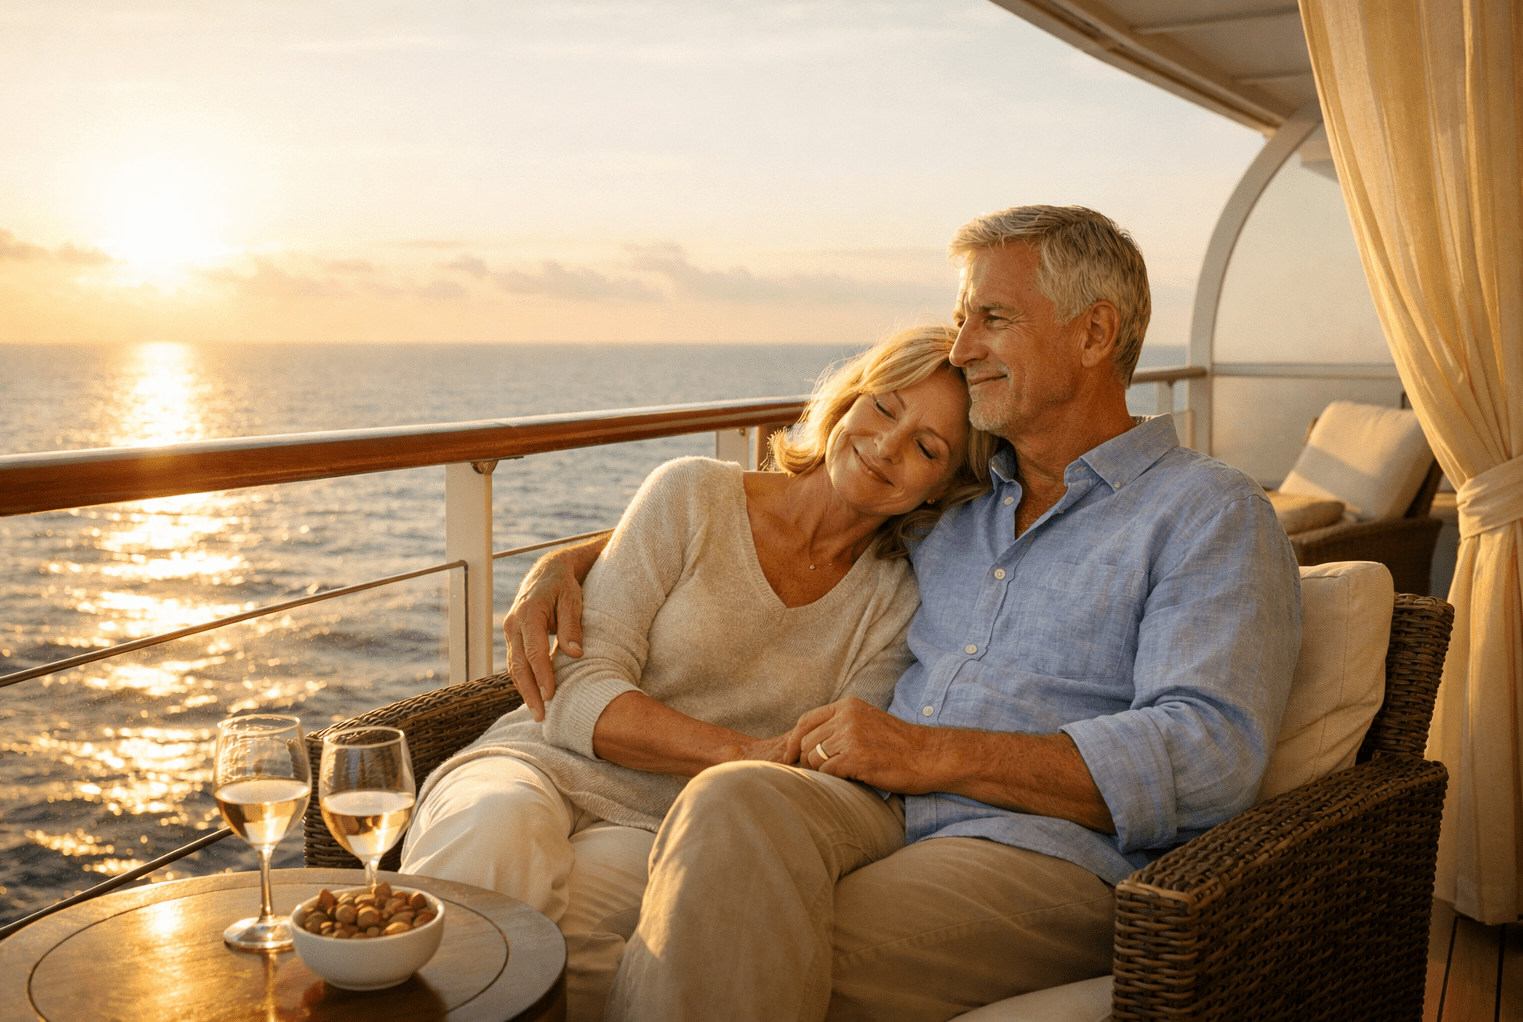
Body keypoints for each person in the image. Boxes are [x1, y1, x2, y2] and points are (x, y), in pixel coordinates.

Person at [504, 205, 1303, 1021]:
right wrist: (566, 565)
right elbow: (780, 519)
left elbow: (1211, 755)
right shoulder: (957, 506)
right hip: (875, 815)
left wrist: (928, 754)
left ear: (1095, 334)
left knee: (731, 934)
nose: (961, 350)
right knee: (731, 795)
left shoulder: (1209, 513)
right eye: (962, 321)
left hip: (1038, 856)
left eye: (992, 319)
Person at [400, 324, 998, 1022]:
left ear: (945, 487)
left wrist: (756, 768)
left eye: (928, 447)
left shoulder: (897, 602)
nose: (888, 446)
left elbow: (822, 760)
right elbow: (576, 693)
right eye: (885, 407)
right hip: (540, 760)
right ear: (847, 404)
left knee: (587, 953)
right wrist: (743, 753)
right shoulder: (691, 494)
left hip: (663, 820)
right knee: (494, 833)